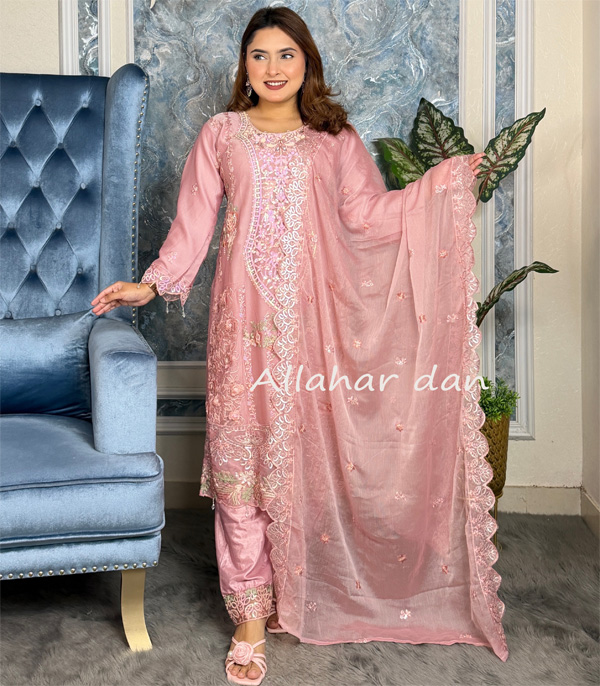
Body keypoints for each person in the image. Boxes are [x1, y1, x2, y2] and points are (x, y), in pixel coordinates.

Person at [92, 6, 508, 684]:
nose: (273, 67)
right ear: (243, 66)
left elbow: (366, 215)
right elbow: (194, 225)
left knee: (301, 463)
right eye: (259, 55)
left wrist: (443, 186)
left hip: (315, 332)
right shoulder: (222, 133)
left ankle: (303, 588)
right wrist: (152, 284)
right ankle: (250, 619)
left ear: (307, 62)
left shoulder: (333, 140)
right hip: (241, 330)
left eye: (286, 54)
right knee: (240, 469)